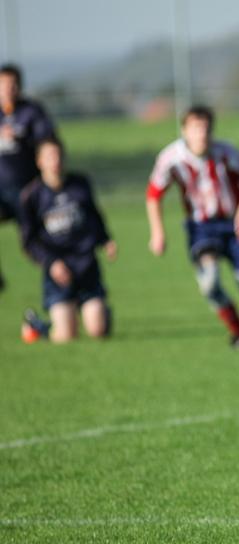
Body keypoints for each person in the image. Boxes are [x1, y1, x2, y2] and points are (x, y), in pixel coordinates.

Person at [146, 105, 239, 348]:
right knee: (210, 283)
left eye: (204, 128)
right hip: (201, 227)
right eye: (195, 128)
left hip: (232, 225)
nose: (200, 133)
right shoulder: (171, 158)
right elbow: (153, 195)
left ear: (211, 130)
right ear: (184, 130)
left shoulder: (227, 153)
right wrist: (157, 232)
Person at [19, 139, 116, 343]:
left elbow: (94, 216)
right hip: (58, 270)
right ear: (39, 162)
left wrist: (105, 240)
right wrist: (51, 262)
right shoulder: (32, 195)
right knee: (65, 337)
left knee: (98, 331)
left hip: (86, 264)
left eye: (58, 155)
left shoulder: (80, 184)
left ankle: (100, 312)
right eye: (49, 157)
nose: (55, 161)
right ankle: (36, 325)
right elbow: (29, 241)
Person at [0, 63, 57, 291]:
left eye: (13, 85)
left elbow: (49, 143)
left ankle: (58, 283)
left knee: (36, 242)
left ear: (19, 87)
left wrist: (22, 139)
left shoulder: (32, 112)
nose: (8, 89)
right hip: (1, 191)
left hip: (28, 190)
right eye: (3, 85)